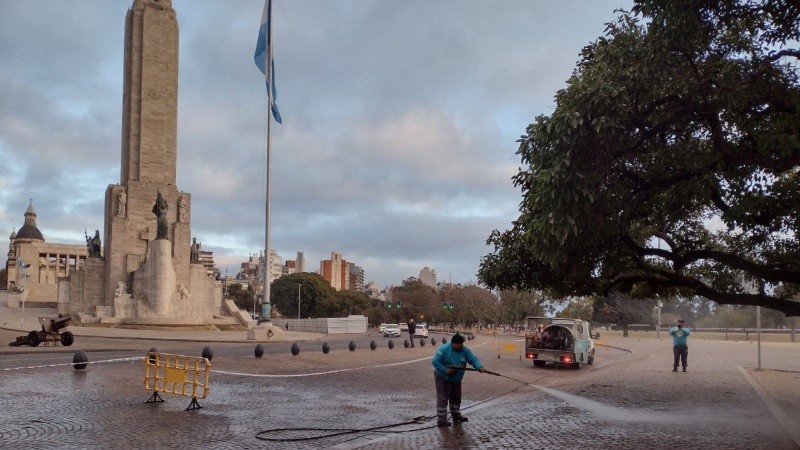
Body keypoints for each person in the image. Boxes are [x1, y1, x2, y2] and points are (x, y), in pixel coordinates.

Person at [431, 333, 485, 427]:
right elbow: (435, 361)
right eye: (457, 345)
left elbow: (473, 359)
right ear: (453, 343)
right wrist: (445, 370)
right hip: (443, 377)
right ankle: (442, 420)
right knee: (443, 398)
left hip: (456, 378)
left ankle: (456, 416)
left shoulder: (465, 350)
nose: (460, 346)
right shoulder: (444, 349)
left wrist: (479, 367)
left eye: (461, 344)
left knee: (456, 397)